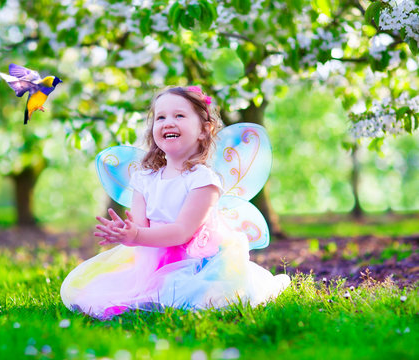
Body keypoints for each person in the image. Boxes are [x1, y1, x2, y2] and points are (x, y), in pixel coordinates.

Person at [60, 86, 290, 319]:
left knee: (197, 295)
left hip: (195, 262)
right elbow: (141, 229)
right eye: (161, 117)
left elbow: (181, 232)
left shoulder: (203, 180)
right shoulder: (144, 179)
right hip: (151, 260)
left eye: (179, 115)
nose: (168, 122)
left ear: (204, 130)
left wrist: (136, 235)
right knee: (94, 290)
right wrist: (127, 233)